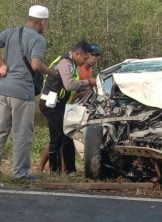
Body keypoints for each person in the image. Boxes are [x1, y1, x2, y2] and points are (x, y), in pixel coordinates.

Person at [0, 5, 57, 179]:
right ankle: (21, 173)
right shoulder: (38, 40)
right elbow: (35, 65)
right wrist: (52, 72)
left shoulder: (11, 32)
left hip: (2, 89)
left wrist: (2, 64)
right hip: (22, 92)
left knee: (1, 132)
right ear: (43, 22)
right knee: (22, 135)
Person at [38, 43, 102, 172]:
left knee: (56, 138)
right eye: (84, 58)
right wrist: (88, 82)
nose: (85, 61)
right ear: (77, 54)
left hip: (58, 103)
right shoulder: (65, 63)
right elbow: (69, 85)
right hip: (51, 104)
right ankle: (69, 170)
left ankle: (55, 171)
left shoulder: (72, 64)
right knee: (66, 134)